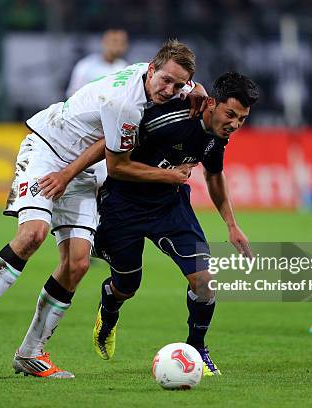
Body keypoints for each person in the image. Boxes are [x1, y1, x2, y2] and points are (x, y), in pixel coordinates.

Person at [0, 40, 204, 379]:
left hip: (83, 171)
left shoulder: (161, 78)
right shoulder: (125, 103)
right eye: (166, 81)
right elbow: (115, 162)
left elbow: (189, 87)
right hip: (49, 151)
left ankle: (30, 352)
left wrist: (196, 88)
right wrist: (168, 175)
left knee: (78, 262)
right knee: (33, 235)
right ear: (152, 70)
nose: (170, 90)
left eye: (177, 85)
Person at [89, 72, 259, 376]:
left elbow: (214, 175)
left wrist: (232, 225)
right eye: (230, 114)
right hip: (123, 205)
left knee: (205, 282)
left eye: (242, 119)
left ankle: (196, 348)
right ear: (211, 104)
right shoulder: (165, 119)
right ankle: (109, 310)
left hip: (170, 206)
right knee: (126, 287)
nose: (234, 124)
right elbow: (114, 157)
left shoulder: (218, 136)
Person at [65, 29, 129, 211]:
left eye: (120, 42)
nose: (116, 45)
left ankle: (100, 222)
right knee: (89, 182)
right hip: (87, 135)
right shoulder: (85, 67)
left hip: (110, 136)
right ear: (104, 42)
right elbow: (72, 97)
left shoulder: (125, 68)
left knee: (106, 182)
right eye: (112, 41)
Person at [66, 29, 129, 98]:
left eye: (122, 42)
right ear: (104, 42)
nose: (118, 46)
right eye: (114, 41)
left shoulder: (126, 68)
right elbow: (72, 94)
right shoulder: (86, 65)